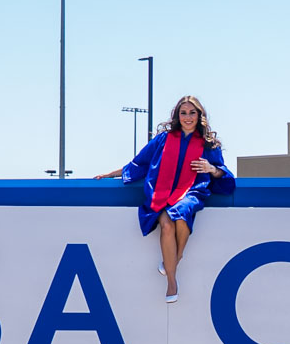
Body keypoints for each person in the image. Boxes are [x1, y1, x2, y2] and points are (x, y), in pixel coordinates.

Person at [99, 94, 235, 302]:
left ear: (199, 116)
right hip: (161, 194)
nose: (187, 117)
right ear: (177, 115)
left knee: (181, 214)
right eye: (183, 113)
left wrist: (211, 169)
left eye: (192, 113)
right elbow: (139, 164)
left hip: (191, 192)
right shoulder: (163, 140)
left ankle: (174, 263)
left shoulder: (209, 145)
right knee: (167, 224)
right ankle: (172, 279)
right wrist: (110, 174)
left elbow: (222, 175)